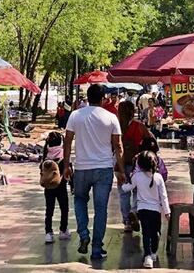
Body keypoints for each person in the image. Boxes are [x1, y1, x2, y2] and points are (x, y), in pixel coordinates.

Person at [63, 84, 124, 260]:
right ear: (103, 99)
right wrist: (121, 169)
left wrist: (66, 165)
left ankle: (83, 234)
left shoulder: (75, 115)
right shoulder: (111, 117)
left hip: (82, 168)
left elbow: (67, 141)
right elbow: (118, 146)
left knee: (80, 200)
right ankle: (97, 248)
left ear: (87, 98)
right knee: (101, 208)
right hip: (104, 169)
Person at [121, 150, 170, 269]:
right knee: (155, 232)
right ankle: (153, 252)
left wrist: (122, 185)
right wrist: (167, 211)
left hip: (142, 210)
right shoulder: (158, 177)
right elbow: (163, 196)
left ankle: (147, 256)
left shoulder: (137, 176)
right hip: (156, 211)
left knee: (146, 233)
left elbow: (128, 188)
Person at [118, 100, 152, 232]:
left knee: (123, 193)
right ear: (133, 112)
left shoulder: (116, 127)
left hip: (120, 163)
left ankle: (127, 222)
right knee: (138, 191)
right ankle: (134, 212)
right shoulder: (139, 126)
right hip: (138, 164)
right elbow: (150, 141)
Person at [40, 131, 71, 243]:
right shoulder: (62, 157)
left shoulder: (46, 157)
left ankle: (48, 233)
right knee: (64, 208)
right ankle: (63, 230)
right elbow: (69, 172)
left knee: (49, 210)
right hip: (61, 187)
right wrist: (72, 186)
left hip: (48, 188)